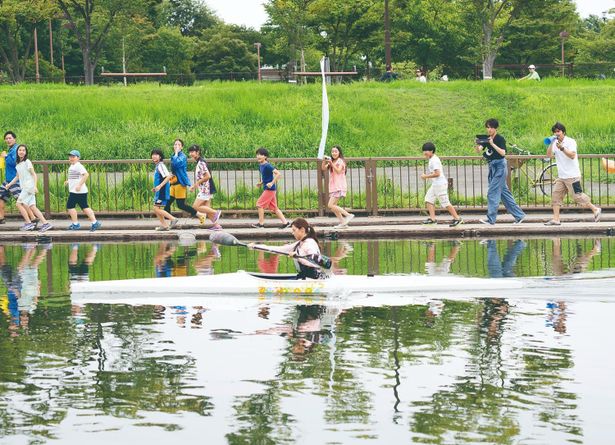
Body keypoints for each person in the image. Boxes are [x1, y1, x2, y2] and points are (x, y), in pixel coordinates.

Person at [544, 122, 601, 226]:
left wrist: (562, 148)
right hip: (561, 177)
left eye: (558, 131)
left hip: (573, 176)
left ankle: (595, 209)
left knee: (577, 196)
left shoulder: (570, 141)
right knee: (556, 197)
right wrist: (551, 143)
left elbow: (572, 155)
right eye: (554, 132)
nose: (556, 133)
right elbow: (548, 156)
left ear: (563, 132)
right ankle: (556, 219)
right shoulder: (555, 143)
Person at [475, 118, 526, 225]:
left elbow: (503, 153)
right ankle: (519, 215)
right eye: (487, 127)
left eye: (491, 127)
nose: (489, 129)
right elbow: (479, 149)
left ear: (496, 128)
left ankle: (491, 219)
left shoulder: (500, 139)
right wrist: (478, 145)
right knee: (504, 194)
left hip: (500, 166)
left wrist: (492, 144)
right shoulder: (487, 138)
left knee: (492, 192)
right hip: (492, 167)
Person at [249, 218, 325, 279]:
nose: (292, 233)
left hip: (315, 278)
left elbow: (316, 263)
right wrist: (256, 246)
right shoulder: (299, 243)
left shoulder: (310, 243)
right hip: (306, 277)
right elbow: (278, 249)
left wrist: (298, 257)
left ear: (302, 230)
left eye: (294, 230)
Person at [3, 145, 52, 232]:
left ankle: (29, 223)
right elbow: (17, 176)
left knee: (18, 204)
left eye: (23, 150)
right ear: (17, 152)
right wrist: (9, 185)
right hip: (25, 187)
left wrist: (35, 186)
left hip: (29, 187)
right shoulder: (18, 163)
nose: (21, 152)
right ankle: (45, 223)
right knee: (33, 207)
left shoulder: (27, 162)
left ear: (26, 153)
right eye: (20, 150)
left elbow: (34, 174)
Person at [420, 142, 462, 227]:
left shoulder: (434, 160)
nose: (424, 152)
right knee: (428, 199)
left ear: (431, 151)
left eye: (426, 151)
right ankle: (433, 219)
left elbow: (437, 174)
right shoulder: (432, 159)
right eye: (423, 151)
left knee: (445, 202)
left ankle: (457, 219)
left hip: (440, 184)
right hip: (435, 184)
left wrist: (426, 176)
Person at [0, 131, 35, 225]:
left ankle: (33, 218)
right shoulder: (11, 149)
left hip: (15, 180)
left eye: (10, 138)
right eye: (6, 138)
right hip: (8, 180)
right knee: (1, 197)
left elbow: (14, 162)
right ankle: (1, 218)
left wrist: (6, 156)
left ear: (14, 139)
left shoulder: (17, 149)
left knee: (22, 201)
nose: (8, 140)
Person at [251, 147, 290, 229]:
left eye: (261, 155)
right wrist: (261, 183)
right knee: (274, 208)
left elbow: (278, 174)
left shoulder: (268, 165)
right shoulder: (260, 165)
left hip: (270, 189)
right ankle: (285, 223)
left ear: (265, 157)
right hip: (268, 188)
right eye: (257, 154)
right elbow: (266, 176)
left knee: (259, 204)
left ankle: (261, 224)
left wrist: (271, 183)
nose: (258, 156)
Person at [65, 150, 101, 231]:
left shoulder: (78, 165)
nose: (71, 158)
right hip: (77, 191)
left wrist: (79, 185)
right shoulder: (72, 166)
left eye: (73, 157)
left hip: (77, 191)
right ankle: (95, 223)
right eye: (70, 157)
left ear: (78, 158)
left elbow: (86, 174)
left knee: (70, 206)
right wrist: (68, 181)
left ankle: (76, 224)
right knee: (84, 207)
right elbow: (76, 177)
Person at [187, 144, 222, 230]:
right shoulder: (200, 162)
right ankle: (217, 226)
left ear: (198, 152)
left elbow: (207, 176)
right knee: (207, 209)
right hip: (206, 188)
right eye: (190, 152)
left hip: (205, 189)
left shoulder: (201, 163)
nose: (190, 154)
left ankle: (216, 212)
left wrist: (195, 185)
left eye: (192, 152)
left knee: (195, 206)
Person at [164, 139, 198, 221]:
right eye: (175, 144)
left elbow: (176, 164)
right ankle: (169, 219)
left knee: (181, 205)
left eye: (179, 145)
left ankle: (197, 214)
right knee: (167, 201)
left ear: (182, 147)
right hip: (173, 182)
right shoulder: (173, 155)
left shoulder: (183, 157)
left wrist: (176, 153)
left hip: (180, 183)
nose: (176, 146)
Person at [321, 145, 354, 228]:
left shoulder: (340, 161)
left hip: (339, 186)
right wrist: (324, 161)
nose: (334, 153)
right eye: (332, 152)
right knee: (333, 207)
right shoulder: (332, 161)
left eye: (336, 151)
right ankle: (343, 223)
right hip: (334, 186)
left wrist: (331, 163)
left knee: (330, 205)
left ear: (339, 152)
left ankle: (348, 215)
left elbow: (338, 171)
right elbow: (323, 168)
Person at [151, 148, 178, 231]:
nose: (154, 156)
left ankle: (173, 219)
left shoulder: (161, 165)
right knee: (157, 209)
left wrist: (159, 186)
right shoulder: (158, 166)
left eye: (156, 155)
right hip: (159, 191)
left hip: (161, 192)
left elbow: (168, 176)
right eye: (153, 154)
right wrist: (156, 187)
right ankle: (165, 225)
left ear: (160, 157)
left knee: (156, 208)